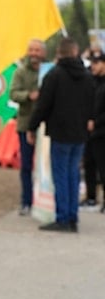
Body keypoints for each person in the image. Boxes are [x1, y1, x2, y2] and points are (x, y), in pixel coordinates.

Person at [27, 37, 94, 232]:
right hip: (80, 134)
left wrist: (32, 127)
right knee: (74, 175)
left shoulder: (54, 75)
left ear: (59, 52)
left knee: (61, 175)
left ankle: (63, 218)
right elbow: (92, 102)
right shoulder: (87, 76)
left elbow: (43, 106)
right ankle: (72, 217)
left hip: (60, 133)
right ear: (76, 51)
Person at [8, 39, 46, 216]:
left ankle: (44, 201)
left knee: (45, 166)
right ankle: (27, 202)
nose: (34, 54)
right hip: (25, 125)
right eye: (31, 50)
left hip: (46, 128)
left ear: (43, 53)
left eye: (37, 50)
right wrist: (28, 95)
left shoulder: (49, 71)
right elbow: (13, 93)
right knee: (26, 166)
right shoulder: (20, 72)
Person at [86, 53, 105, 212]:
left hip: (101, 131)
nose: (93, 65)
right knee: (89, 165)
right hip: (89, 132)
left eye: (97, 62)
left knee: (103, 167)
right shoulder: (91, 81)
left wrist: (96, 122)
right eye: (92, 62)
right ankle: (91, 197)